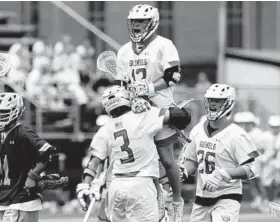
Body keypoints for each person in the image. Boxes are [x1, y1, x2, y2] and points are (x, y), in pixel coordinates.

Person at [76, 85, 191, 222]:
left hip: (116, 186)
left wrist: (84, 185)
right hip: (141, 183)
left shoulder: (105, 129)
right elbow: (183, 116)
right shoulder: (144, 116)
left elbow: (94, 162)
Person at [116, 4, 183, 220]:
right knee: (143, 159)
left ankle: (177, 200)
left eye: (141, 21)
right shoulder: (124, 51)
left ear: (152, 22)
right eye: (133, 21)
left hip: (160, 108)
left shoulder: (164, 45)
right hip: (136, 112)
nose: (136, 25)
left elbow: (173, 76)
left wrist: (149, 88)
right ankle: (159, 195)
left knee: (166, 158)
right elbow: (122, 83)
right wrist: (132, 98)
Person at [180, 84, 259, 222]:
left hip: (227, 197)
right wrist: (182, 172)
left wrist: (223, 174)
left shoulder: (236, 134)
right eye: (211, 100)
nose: (213, 103)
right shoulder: (197, 130)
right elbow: (192, 161)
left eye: (218, 100)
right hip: (201, 197)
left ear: (228, 103)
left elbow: (251, 169)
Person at [0, 93, 61, 222]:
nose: (1, 116)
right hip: (4, 199)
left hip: (22, 199)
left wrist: (33, 176)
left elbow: (50, 152)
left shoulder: (23, 132)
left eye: (5, 112)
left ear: (16, 111)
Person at [233, 111, 269, 211]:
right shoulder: (239, 134)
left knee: (259, 181)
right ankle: (258, 199)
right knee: (252, 182)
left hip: (258, 162)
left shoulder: (259, 135)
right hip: (248, 162)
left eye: (246, 123)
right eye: (241, 123)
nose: (244, 126)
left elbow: (263, 150)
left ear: (252, 124)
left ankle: (265, 201)